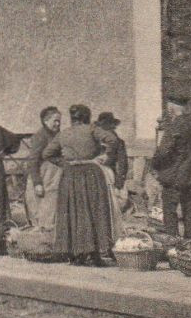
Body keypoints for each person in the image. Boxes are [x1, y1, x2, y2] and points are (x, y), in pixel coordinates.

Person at [45, 104, 120, 265]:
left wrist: (64, 163)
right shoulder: (92, 129)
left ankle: (75, 252)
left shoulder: (63, 134)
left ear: (72, 118)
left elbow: (47, 153)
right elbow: (113, 139)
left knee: (72, 211)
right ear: (86, 117)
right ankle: (94, 253)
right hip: (91, 173)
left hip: (70, 175)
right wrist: (105, 155)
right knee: (94, 210)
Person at [152, 98, 191, 239]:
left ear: (171, 109)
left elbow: (164, 151)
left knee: (170, 210)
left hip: (174, 175)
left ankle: (172, 244)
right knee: (190, 210)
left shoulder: (174, 126)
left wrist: (155, 164)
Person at [25, 106, 64, 228]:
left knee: (52, 206)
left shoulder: (59, 135)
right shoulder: (40, 136)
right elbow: (33, 160)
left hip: (54, 176)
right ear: (45, 121)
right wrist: (37, 183)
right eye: (55, 121)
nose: (57, 124)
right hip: (44, 175)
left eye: (59, 121)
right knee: (40, 206)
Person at [96, 111, 130, 218]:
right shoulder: (94, 141)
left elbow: (122, 163)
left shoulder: (118, 142)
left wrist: (119, 182)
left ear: (113, 126)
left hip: (110, 177)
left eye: (108, 126)